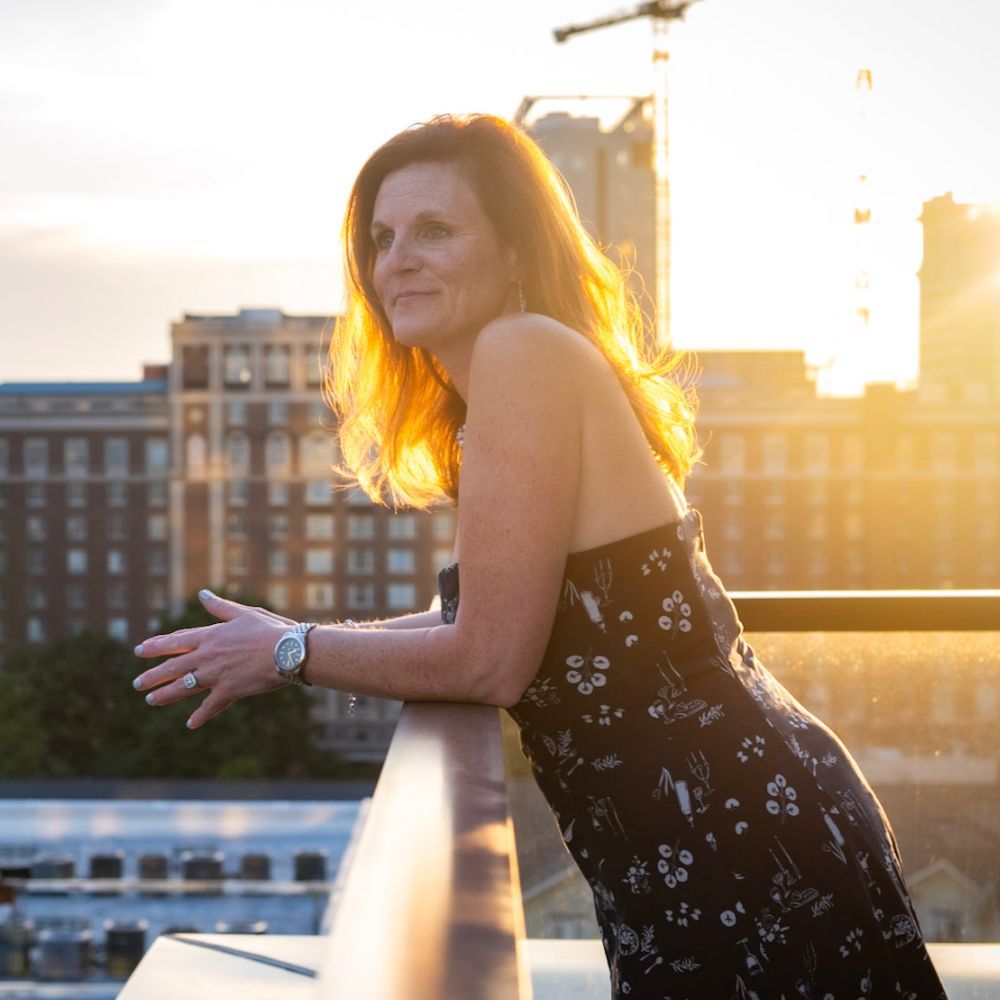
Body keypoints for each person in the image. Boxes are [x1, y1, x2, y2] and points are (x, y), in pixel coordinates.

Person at [132, 114, 947, 998]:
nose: (396, 259)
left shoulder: (522, 353)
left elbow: (488, 658)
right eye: (382, 237)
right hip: (698, 829)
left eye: (435, 231)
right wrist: (290, 634)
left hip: (730, 834)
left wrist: (290, 653)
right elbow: (489, 615)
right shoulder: (510, 382)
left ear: (517, 251)